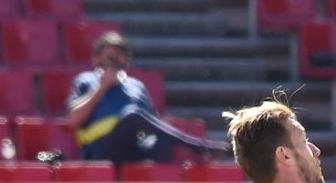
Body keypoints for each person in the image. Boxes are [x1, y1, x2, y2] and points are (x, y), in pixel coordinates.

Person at [66, 31, 225, 166]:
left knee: (162, 143)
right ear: (96, 59)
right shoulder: (86, 80)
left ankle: (177, 181)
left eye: (119, 56)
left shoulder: (136, 86)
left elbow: (152, 122)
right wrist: (102, 87)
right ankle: (197, 146)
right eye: (110, 57)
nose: (115, 61)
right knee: (132, 114)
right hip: (101, 150)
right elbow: (74, 119)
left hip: (135, 148)